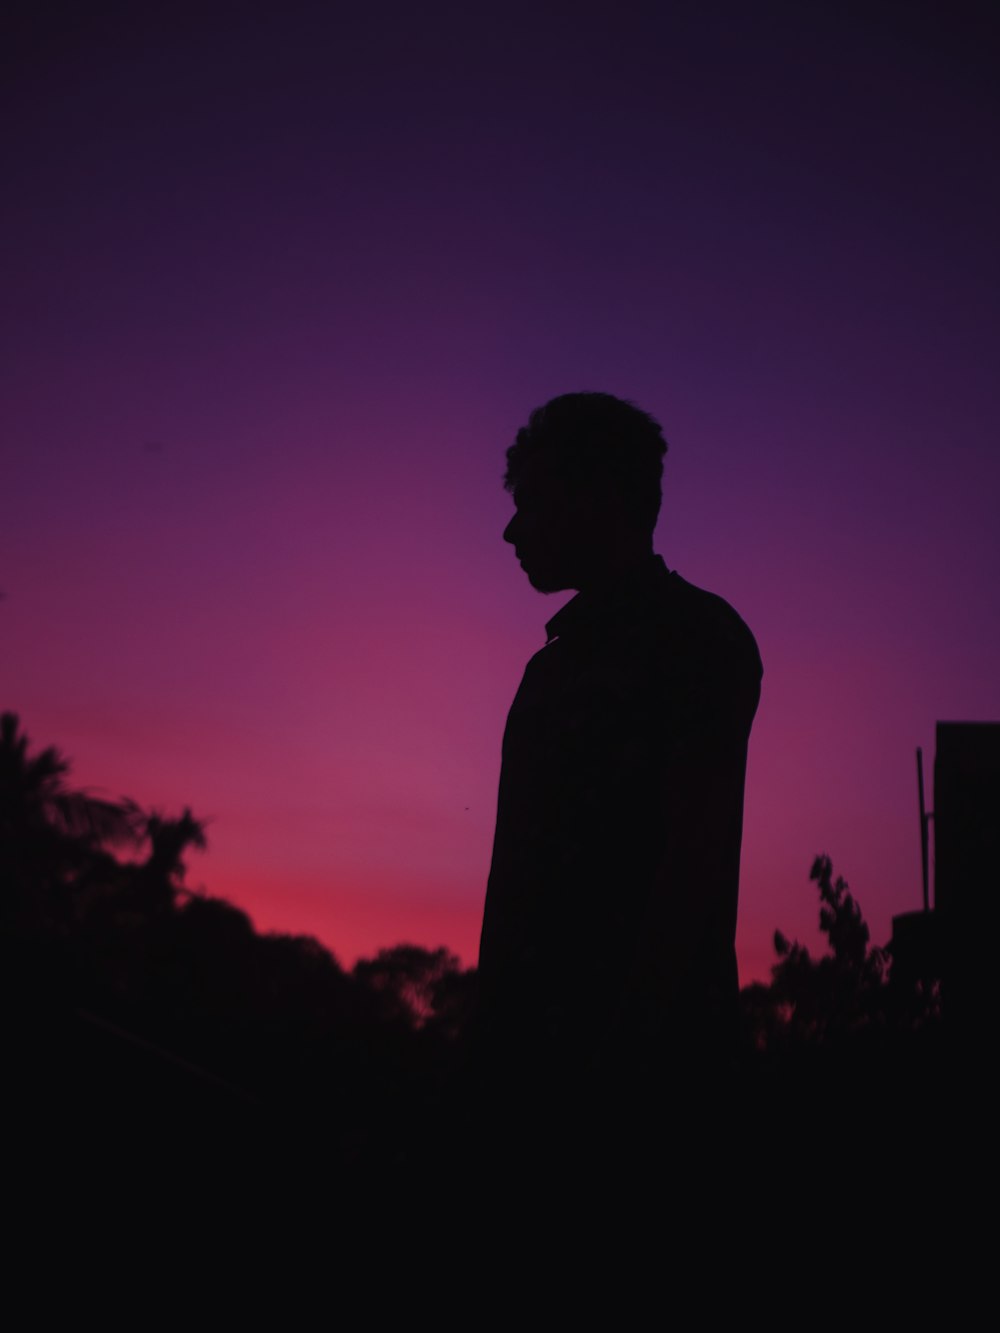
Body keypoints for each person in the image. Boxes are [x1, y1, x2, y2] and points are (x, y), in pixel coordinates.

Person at [476, 391, 762, 1127]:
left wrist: (618, 1065)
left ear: (598, 496)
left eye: (532, 500)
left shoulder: (697, 638)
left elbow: (690, 862)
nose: (511, 528)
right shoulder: (550, 672)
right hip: (530, 1079)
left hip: (645, 1093)